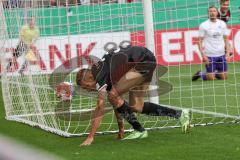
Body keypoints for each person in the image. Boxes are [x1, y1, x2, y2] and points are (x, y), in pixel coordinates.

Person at [56, 45, 191, 146]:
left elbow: (100, 107)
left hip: (142, 60)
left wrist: (90, 137)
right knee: (137, 105)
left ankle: (139, 129)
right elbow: (117, 103)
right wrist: (121, 128)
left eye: (87, 87)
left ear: (89, 78)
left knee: (113, 95)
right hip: (145, 59)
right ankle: (179, 114)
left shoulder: (100, 76)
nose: (89, 90)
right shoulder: (100, 72)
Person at [192, 6, 230, 81]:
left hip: (221, 54)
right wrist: (203, 55)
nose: (212, 13)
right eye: (210, 11)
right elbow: (199, 41)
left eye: (214, 11)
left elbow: (226, 39)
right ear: (208, 13)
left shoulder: (222, 24)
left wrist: (227, 53)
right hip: (210, 55)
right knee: (211, 78)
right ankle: (201, 74)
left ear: (217, 13)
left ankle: (214, 72)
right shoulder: (203, 25)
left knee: (224, 77)